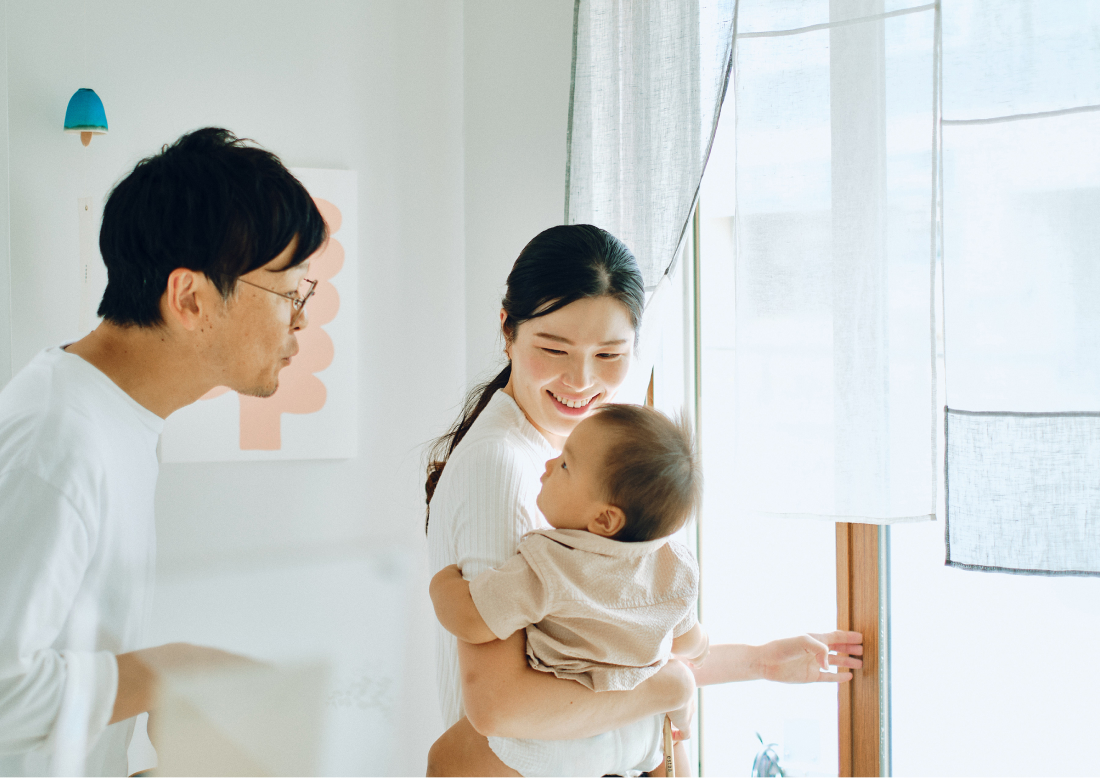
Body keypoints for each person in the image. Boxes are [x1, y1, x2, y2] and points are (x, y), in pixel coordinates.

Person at [424, 224, 863, 776]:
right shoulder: (505, 466)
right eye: (554, 348)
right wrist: (671, 687)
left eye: (609, 353)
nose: (581, 380)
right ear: (508, 331)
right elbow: (500, 705)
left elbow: (608, 649)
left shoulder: (580, 456)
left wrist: (758, 661)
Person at [0, 127, 326, 776]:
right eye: (289, 293)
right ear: (190, 299)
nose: (301, 319)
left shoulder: (112, 420)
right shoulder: (57, 441)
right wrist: (170, 671)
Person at [431, 404, 707, 776]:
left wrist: (444, 582)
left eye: (564, 465)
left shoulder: (552, 566)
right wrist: (702, 648)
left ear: (605, 518)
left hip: (560, 735)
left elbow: (472, 620)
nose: (548, 464)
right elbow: (686, 640)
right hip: (642, 731)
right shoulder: (678, 567)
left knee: (445, 760)